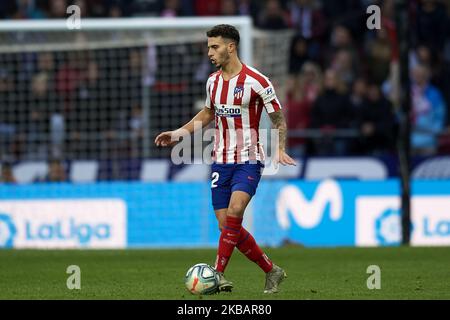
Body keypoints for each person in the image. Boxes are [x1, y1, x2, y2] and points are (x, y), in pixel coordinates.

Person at [155, 24, 296, 294]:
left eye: (214, 46)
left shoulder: (257, 81)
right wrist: (178, 134)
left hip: (249, 159)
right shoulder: (213, 82)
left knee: (235, 212)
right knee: (227, 226)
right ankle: (272, 271)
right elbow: (207, 115)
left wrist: (279, 148)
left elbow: (278, 117)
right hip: (220, 160)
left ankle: (217, 273)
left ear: (230, 47)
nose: (209, 52)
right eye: (209, 46)